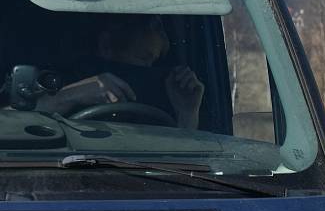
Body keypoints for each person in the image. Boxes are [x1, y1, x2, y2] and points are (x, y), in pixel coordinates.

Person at [37, 14, 204, 129]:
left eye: (153, 64)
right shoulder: (52, 84)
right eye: (142, 59)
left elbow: (181, 165)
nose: (148, 72)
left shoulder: (162, 99)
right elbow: (12, 123)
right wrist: (69, 96)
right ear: (106, 46)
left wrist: (187, 113)